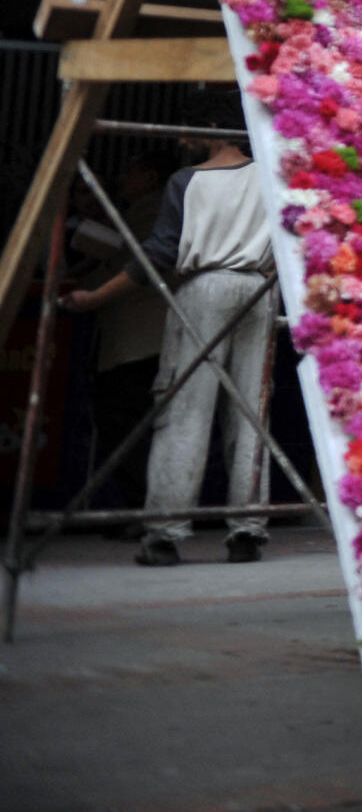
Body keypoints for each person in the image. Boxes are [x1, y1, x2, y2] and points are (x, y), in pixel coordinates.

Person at [89, 98, 279, 566]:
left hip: (204, 288)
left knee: (184, 410)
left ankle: (165, 532)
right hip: (259, 289)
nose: (180, 141)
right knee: (251, 413)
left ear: (213, 129)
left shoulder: (186, 181)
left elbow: (159, 252)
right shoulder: (271, 175)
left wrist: (94, 298)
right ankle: (247, 531)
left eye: (187, 132)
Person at [58, 155, 173, 519]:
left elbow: (132, 264)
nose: (122, 178)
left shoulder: (151, 210)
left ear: (149, 176)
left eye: (130, 170)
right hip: (131, 338)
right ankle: (138, 509)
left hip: (138, 339)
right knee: (123, 423)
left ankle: (143, 511)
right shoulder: (138, 210)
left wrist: (90, 289)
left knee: (126, 424)